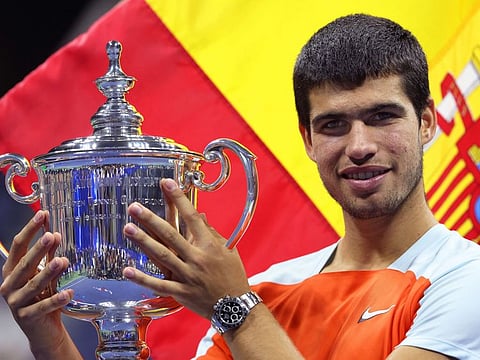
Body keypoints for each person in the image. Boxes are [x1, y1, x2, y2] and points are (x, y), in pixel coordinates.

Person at [2, 13, 480, 359]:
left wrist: (233, 308)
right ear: (308, 141)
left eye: (381, 117)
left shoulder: (467, 279)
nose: (359, 145)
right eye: (334, 125)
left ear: (426, 123)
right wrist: (51, 339)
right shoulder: (268, 290)